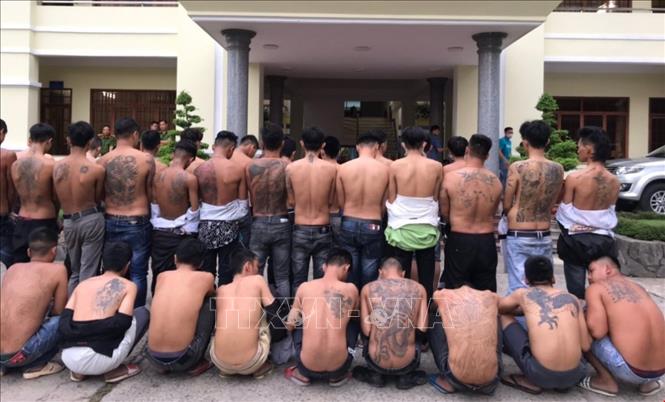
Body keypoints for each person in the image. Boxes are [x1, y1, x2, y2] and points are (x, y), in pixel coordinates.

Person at [59, 241, 150, 383]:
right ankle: (112, 371)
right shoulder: (128, 286)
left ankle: (79, 372)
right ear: (127, 265)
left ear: (103, 262)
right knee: (141, 314)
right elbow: (123, 323)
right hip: (101, 359)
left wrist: (82, 330)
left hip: (69, 357)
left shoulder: (83, 284)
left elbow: (64, 322)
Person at [499, 256, 589, 394]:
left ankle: (531, 380)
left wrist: (523, 309)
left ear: (526, 279)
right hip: (576, 375)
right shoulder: (572, 299)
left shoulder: (523, 294)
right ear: (553, 278)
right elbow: (586, 345)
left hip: (541, 376)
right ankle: (562, 380)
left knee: (503, 316)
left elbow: (500, 308)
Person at [580, 256, 664, 397]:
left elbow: (597, 332)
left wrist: (583, 314)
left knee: (583, 325)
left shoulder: (596, 288)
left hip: (631, 372)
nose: (588, 277)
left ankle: (606, 381)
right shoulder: (638, 287)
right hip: (660, 372)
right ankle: (648, 384)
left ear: (607, 269)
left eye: (591, 271)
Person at [556, 126, 620, 299]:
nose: (578, 150)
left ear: (590, 150)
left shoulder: (575, 178)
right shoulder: (614, 181)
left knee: (576, 293)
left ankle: (578, 314)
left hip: (575, 241)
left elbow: (565, 211)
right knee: (604, 291)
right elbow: (611, 211)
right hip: (603, 240)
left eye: (580, 146)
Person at [98, 117, 155, 307]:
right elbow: (149, 192)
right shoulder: (146, 159)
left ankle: (111, 308)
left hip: (111, 218)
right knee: (138, 271)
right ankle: (136, 313)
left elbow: (100, 193)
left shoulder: (103, 160)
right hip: (137, 220)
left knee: (112, 269)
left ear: (115, 135)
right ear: (135, 134)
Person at [503, 121, 564, 294]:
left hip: (520, 232)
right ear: (547, 142)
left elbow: (507, 203)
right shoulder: (558, 169)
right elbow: (555, 200)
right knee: (543, 286)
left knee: (518, 287)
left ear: (525, 142)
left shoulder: (517, 167)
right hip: (543, 232)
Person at [0, 228, 67, 379]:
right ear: (54, 251)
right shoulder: (58, 270)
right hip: (19, 355)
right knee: (63, 319)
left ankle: (3, 366)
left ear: (29, 252)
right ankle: (36, 365)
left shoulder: (13, 268)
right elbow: (59, 311)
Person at [285, 249, 358, 387]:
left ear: (324, 267)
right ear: (346, 268)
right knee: (354, 320)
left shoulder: (305, 287)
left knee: (297, 319)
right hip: (339, 367)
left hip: (306, 366)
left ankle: (302, 374)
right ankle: (337, 377)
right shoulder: (351, 289)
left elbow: (290, 325)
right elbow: (355, 316)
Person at [384, 126, 441, 300]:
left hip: (401, 227)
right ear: (424, 144)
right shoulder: (437, 166)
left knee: (402, 274)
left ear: (403, 144)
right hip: (427, 227)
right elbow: (435, 197)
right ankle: (425, 310)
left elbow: (391, 198)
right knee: (426, 275)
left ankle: (404, 309)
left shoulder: (395, 166)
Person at [353, 258, 428, 389]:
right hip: (409, 362)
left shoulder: (368, 289)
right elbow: (423, 328)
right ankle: (405, 377)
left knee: (361, 322)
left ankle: (376, 374)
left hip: (375, 362)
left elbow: (367, 331)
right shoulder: (419, 289)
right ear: (403, 273)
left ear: (380, 272)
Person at [440, 134, 501, 292]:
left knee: (456, 289)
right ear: (487, 155)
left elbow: (445, 212)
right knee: (486, 291)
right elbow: (493, 212)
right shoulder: (495, 181)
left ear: (467, 150)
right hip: (486, 240)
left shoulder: (450, 178)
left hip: (460, 237)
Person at [146, 239, 215, 375]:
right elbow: (213, 293)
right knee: (211, 302)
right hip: (184, 359)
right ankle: (198, 361)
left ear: (175, 258)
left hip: (152, 358)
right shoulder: (206, 277)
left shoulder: (162, 276)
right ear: (201, 262)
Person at [53, 121, 106, 295]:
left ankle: (70, 306)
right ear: (90, 142)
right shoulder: (96, 169)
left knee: (75, 271)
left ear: (68, 140)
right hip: (90, 218)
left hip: (69, 220)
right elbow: (98, 198)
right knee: (88, 270)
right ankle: (83, 308)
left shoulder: (56, 167)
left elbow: (56, 196)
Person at [210, 249, 279, 378]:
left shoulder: (221, 290)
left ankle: (227, 368)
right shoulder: (257, 280)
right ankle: (260, 365)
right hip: (252, 362)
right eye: (257, 267)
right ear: (247, 266)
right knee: (264, 311)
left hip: (219, 362)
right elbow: (274, 313)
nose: (258, 271)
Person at [286, 127, 337, 295]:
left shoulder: (291, 168)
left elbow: (291, 202)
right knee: (321, 280)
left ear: (302, 144)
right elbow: (331, 201)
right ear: (322, 145)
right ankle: (318, 310)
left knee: (298, 280)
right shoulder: (331, 169)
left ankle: (297, 310)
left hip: (300, 228)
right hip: (323, 227)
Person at [336, 132, 389, 289]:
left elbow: (341, 202)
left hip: (349, 221)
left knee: (349, 267)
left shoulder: (343, 168)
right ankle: (366, 300)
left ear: (358, 147)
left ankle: (352, 300)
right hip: (373, 222)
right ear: (377, 147)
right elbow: (384, 203)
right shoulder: (385, 170)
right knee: (370, 269)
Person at [194, 130, 248, 286]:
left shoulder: (199, 170)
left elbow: (196, 201)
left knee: (206, 271)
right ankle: (224, 298)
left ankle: (208, 299)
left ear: (213, 146)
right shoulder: (237, 170)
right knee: (227, 270)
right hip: (229, 225)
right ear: (231, 149)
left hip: (205, 225)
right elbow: (243, 204)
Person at [428, 285, 501, 395]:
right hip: (491, 381)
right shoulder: (491, 297)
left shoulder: (443, 294)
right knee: (497, 317)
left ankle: (448, 380)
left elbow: (431, 307)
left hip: (454, 378)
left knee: (433, 319)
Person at [247, 123, 291, 298]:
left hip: (258, 220)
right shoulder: (288, 166)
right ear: (282, 143)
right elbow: (291, 199)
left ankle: (254, 310)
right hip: (281, 220)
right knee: (282, 276)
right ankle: (283, 312)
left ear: (262, 143)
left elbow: (249, 196)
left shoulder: (250, 166)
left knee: (254, 274)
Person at [150, 140, 200, 292]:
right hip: (181, 233)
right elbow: (194, 209)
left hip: (160, 232)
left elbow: (154, 205)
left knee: (159, 271)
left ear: (173, 155)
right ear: (190, 159)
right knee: (181, 274)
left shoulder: (157, 176)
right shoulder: (189, 178)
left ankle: (158, 300)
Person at [10, 123, 58, 264]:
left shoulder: (15, 165)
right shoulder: (50, 165)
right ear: (49, 141)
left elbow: (14, 193)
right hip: (44, 218)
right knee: (42, 265)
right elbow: (56, 197)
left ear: (30, 139)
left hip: (22, 218)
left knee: (20, 263)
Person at [231, 134, 258, 249]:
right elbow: (253, 189)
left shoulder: (227, 156)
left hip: (226, 206)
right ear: (252, 147)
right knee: (243, 246)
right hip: (243, 206)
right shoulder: (249, 162)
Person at [0, 118, 17, 268]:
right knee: (6, 256)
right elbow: (12, 188)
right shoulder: (7, 156)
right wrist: (11, 209)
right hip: (2, 212)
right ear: (1, 132)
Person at [321, 135, 342, 244]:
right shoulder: (344, 170)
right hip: (339, 216)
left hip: (320, 218)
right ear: (339, 152)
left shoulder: (317, 171)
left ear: (322, 151)